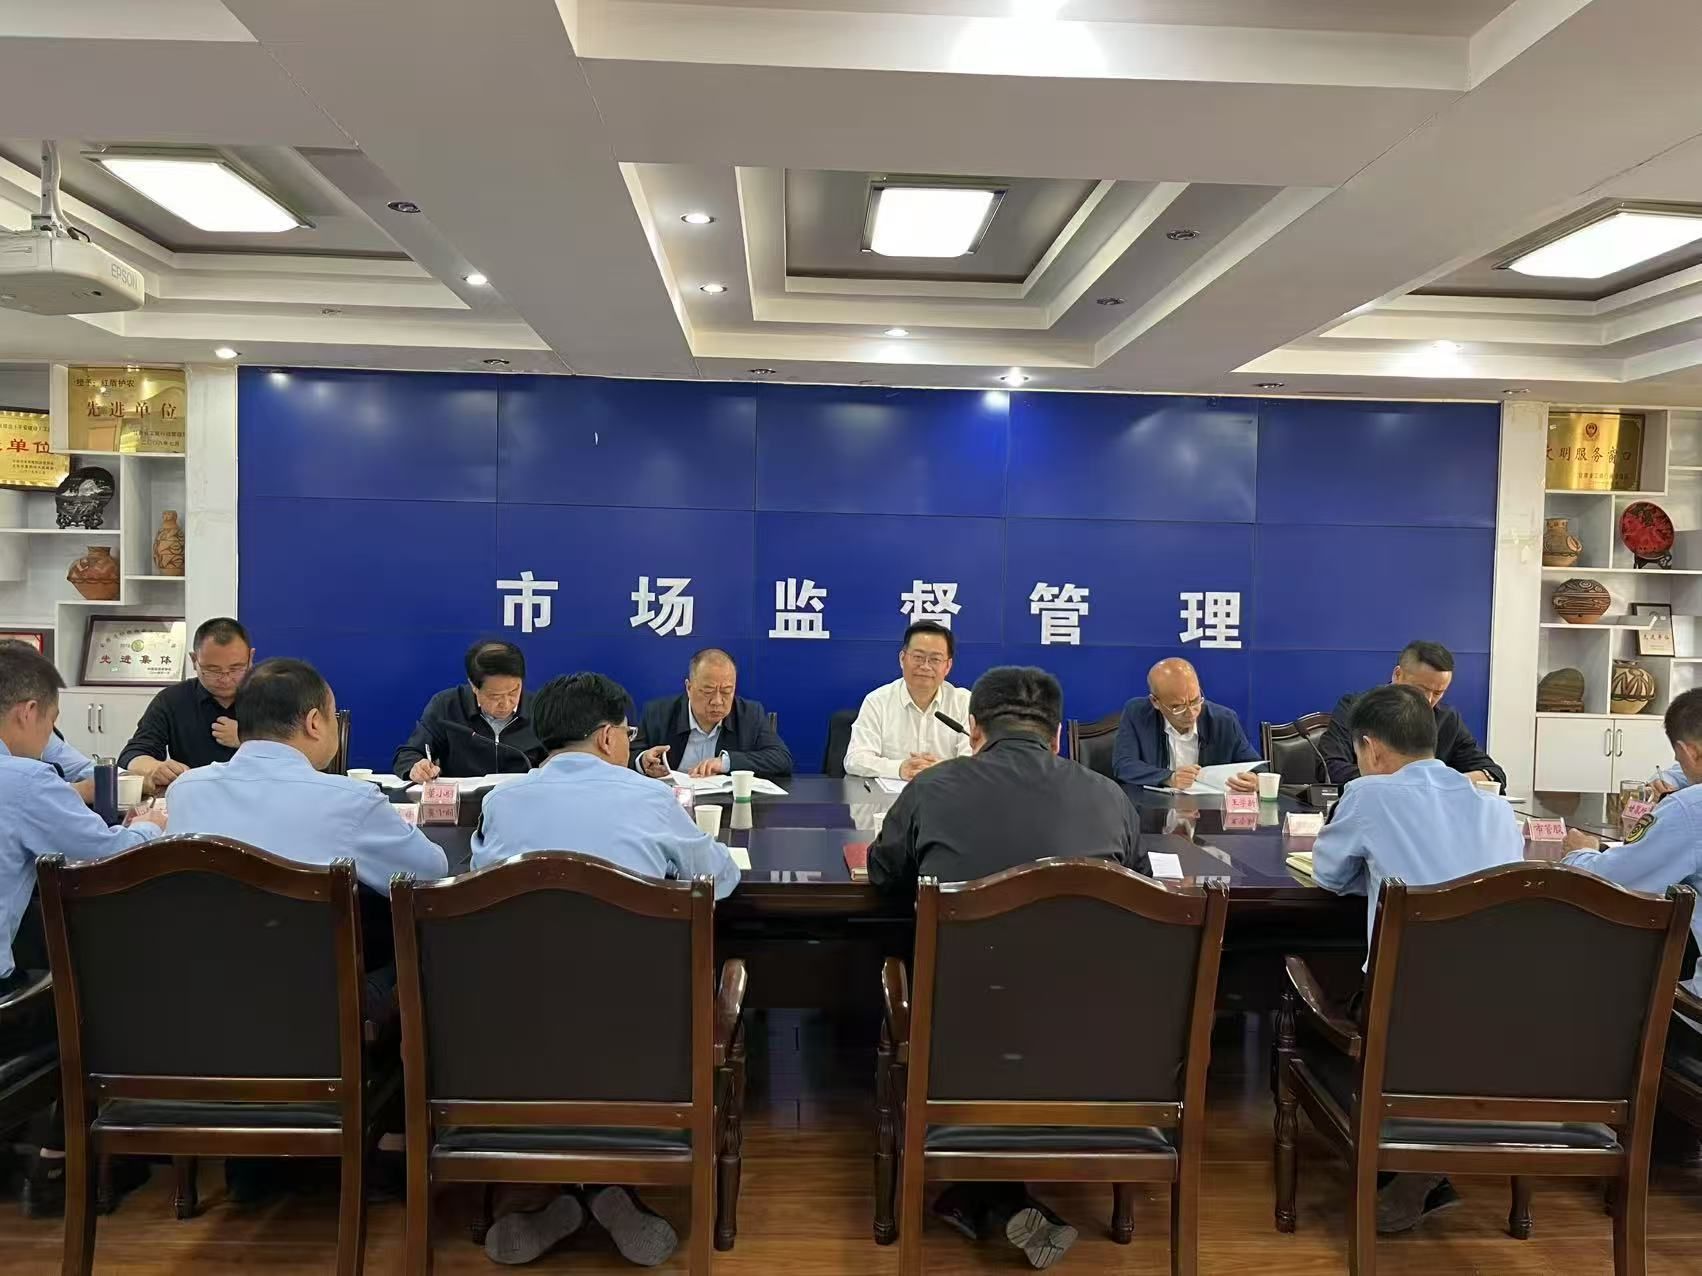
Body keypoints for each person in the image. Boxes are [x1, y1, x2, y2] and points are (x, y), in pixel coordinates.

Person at [869, 666, 1148, 1269]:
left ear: (974, 730)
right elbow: (1138, 893)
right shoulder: (1110, 797)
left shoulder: (933, 788)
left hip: (960, 1035)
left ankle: (983, 1195)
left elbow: (884, 875)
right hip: (1093, 1037)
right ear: (1057, 735)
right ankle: (989, 1198)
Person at [472, 671, 737, 1266]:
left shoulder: (501, 802)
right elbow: (718, 879)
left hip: (514, 1034)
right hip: (638, 1036)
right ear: (609, 737)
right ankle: (606, 1192)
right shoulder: (650, 799)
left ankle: (571, 1196)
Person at [1309, 683, 1524, 1236]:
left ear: (1371, 748)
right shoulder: (1495, 806)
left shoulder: (1367, 795)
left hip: (1405, 1009)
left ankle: (1393, 1156)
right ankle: (1427, 1157)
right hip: (1500, 1008)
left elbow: (1329, 875)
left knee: (1309, 989)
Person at [167, 658, 448, 898]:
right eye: (332, 716)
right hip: (315, 948)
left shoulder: (185, 790)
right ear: (314, 723)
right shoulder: (353, 801)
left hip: (199, 946)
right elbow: (430, 873)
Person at [0, 643, 167, 992]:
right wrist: (148, 825)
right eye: (52, 721)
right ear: (28, 712)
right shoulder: (26, 779)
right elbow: (111, 857)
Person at [1562, 687, 1702, 993]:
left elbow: (1610, 883)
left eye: (1680, 758)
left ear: (1690, 752)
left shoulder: (1690, 808)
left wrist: (1579, 853)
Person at [1320, 641, 1505, 790]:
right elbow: (1331, 768)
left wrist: (1439, 784)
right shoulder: (1356, 707)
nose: (1428, 700)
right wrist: (1414, 784)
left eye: (1438, 692)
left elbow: (1492, 773)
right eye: (1421, 689)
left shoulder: (1446, 719)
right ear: (1397, 674)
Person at [119, 617, 252, 791]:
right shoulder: (173, 699)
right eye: (213, 670)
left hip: (259, 795)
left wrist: (247, 740)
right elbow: (132, 754)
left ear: (251, 658)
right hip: (193, 794)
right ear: (194, 660)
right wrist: (154, 768)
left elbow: (290, 754)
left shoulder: (272, 696)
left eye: (236, 669)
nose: (225, 679)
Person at [394, 640, 546, 782]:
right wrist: (417, 767)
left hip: (522, 797)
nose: (506, 703)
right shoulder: (447, 705)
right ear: (473, 686)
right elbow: (408, 754)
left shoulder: (539, 709)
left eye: (513, 691)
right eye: (495, 696)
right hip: (464, 799)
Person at [632, 648, 792, 780]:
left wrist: (725, 763)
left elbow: (781, 759)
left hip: (726, 804)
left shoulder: (750, 714)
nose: (717, 701)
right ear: (689, 688)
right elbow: (627, 756)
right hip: (671, 801)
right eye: (708, 691)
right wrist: (643, 761)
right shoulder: (658, 713)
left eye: (726, 691)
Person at [844, 622, 972, 781]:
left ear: (947, 666)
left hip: (947, 794)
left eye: (935, 659)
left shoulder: (965, 702)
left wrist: (941, 769)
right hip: (889, 796)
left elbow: (976, 762)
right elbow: (855, 759)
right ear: (902, 659)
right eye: (918, 657)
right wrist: (899, 768)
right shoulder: (877, 701)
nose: (925, 666)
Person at [1111, 657, 1261, 792]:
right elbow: (1123, 765)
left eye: (1195, 701)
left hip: (1210, 807)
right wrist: (1169, 778)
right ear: (1155, 702)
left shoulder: (1224, 720)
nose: (1190, 713)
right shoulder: (1137, 714)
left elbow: (1258, 766)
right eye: (1177, 707)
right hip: (1154, 806)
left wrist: (1256, 780)